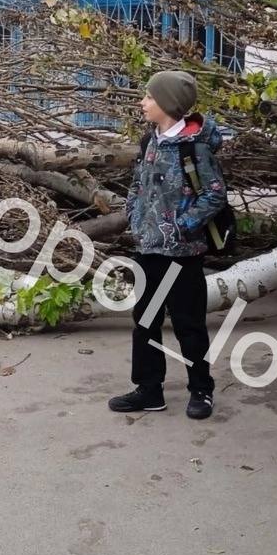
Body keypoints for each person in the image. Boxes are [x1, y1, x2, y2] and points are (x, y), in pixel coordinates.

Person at [109, 70, 227, 420]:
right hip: (148, 251)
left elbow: (215, 196)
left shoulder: (196, 147)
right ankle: (149, 390)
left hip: (183, 254)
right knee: (145, 321)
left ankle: (201, 391)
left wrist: (180, 227)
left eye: (148, 97)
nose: (142, 102)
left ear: (167, 104)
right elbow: (137, 183)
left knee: (189, 325)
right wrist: (133, 213)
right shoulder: (151, 140)